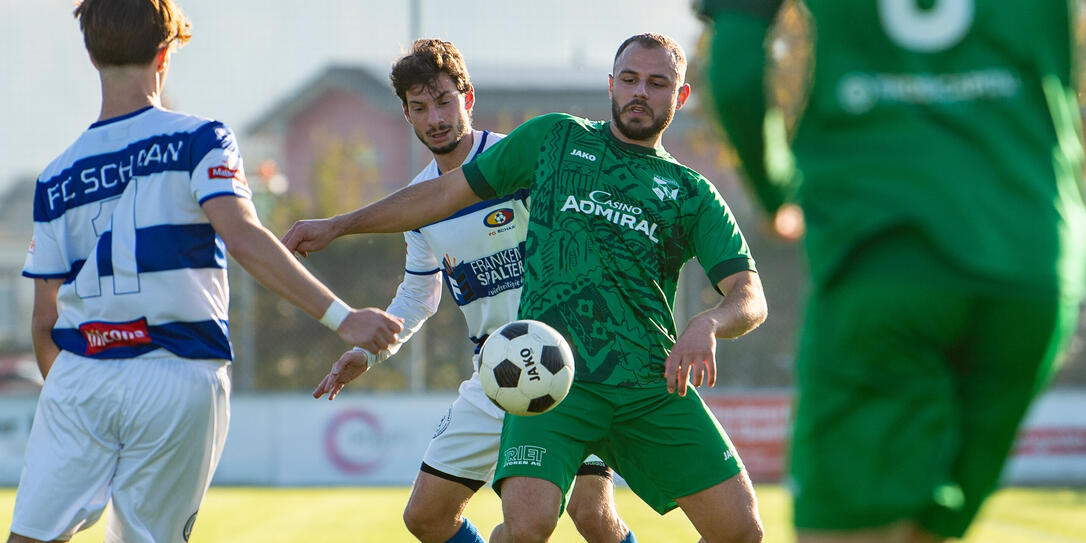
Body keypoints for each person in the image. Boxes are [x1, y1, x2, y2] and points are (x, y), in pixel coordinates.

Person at [284, 33, 767, 543]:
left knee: (733, 533)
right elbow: (444, 199)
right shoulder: (554, 142)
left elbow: (749, 292)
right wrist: (340, 225)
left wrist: (709, 320)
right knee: (512, 526)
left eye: (657, 83)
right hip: (544, 377)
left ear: (681, 96)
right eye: (629, 79)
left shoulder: (693, 192)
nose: (640, 92)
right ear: (610, 85)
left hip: (646, 382)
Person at [9, 1, 403, 542]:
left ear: (91, 55)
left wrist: (80, 396)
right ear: (165, 53)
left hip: (82, 373)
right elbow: (243, 238)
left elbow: (42, 320)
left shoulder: (55, 177)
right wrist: (342, 316)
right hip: (178, 371)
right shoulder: (199, 139)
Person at [697, 1, 1086, 542]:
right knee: (926, 531)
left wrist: (774, 190)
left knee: (857, 532)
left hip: (885, 258)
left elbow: (737, 70)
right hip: (1034, 261)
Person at [300, 39, 635, 543]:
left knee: (592, 515)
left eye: (443, 101)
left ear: (468, 97)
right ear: (407, 115)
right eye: (419, 108)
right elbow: (419, 297)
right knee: (426, 518)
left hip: (566, 367)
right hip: (494, 376)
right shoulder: (418, 206)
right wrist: (366, 356)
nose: (434, 118)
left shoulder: (518, 161)